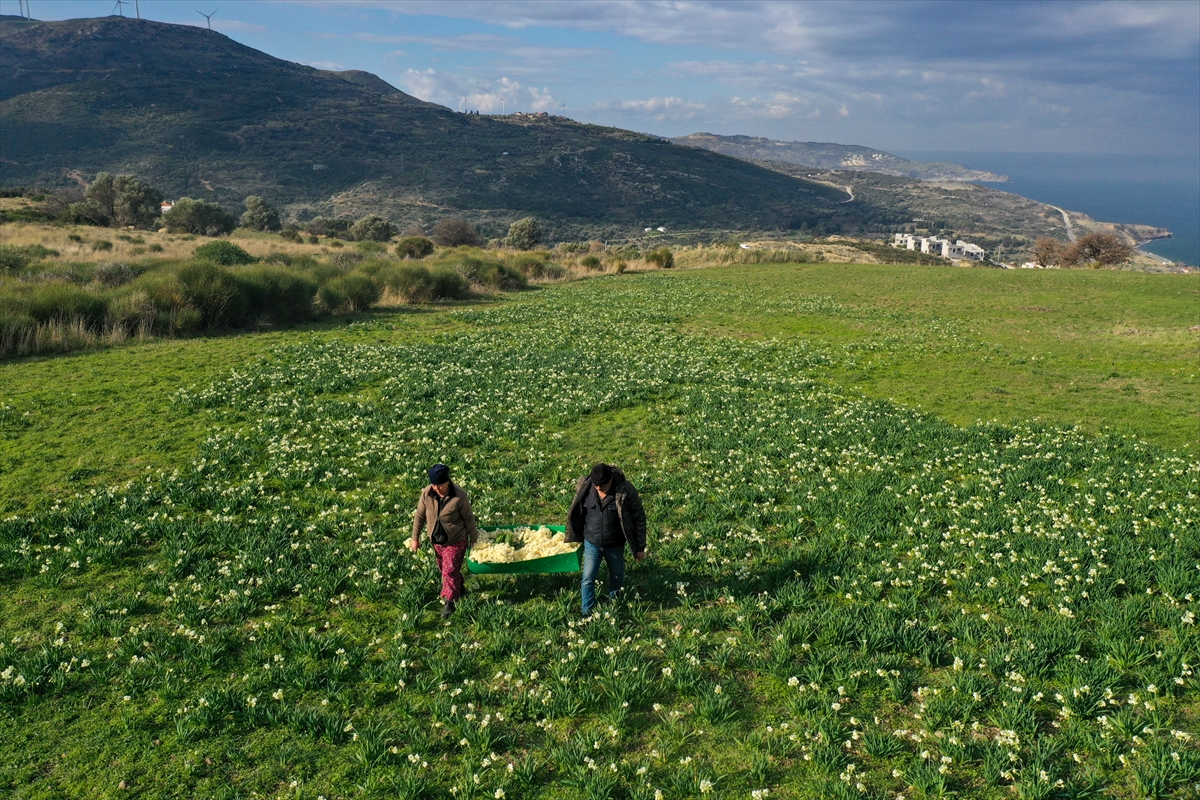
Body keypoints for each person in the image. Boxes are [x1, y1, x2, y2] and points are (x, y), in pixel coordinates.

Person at [566, 462, 647, 617]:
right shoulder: (586, 487)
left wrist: (639, 547)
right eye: (596, 485)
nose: (598, 489)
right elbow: (577, 512)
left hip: (615, 544)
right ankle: (586, 612)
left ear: (610, 480)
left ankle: (614, 604)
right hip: (592, 543)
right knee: (588, 578)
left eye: (602, 486)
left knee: (617, 575)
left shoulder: (625, 490)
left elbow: (639, 518)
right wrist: (576, 535)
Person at [411, 463, 478, 617]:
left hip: (456, 539)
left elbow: (468, 519)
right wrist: (415, 538)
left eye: (439, 485)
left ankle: (450, 602)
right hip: (436, 540)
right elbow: (420, 516)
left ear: (447, 481)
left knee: (448, 571)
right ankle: (459, 587)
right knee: (446, 569)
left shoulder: (459, 496)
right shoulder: (427, 494)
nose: (436, 488)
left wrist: (474, 538)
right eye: (433, 485)